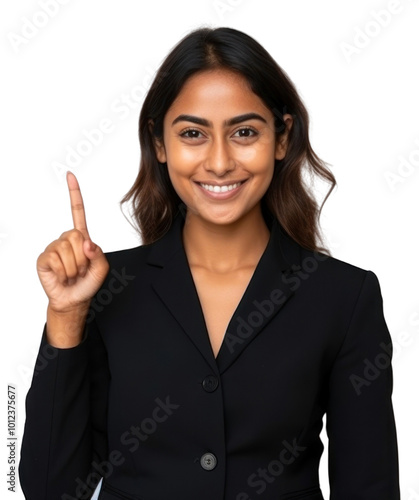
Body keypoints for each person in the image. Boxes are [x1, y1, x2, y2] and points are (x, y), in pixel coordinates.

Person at [19, 26, 400, 500]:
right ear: (159, 144)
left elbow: (369, 487)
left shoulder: (344, 298)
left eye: (244, 132)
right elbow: (50, 488)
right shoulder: (104, 289)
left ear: (281, 138)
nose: (219, 163)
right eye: (193, 134)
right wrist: (66, 315)